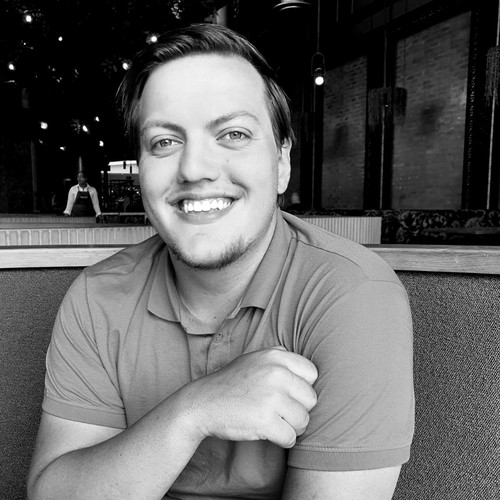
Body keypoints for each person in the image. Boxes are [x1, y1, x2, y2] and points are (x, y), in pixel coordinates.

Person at [28, 23, 414, 499]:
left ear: (282, 163)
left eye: (233, 134)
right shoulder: (98, 295)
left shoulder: (353, 297)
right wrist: (192, 412)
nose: (194, 168)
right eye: (164, 142)